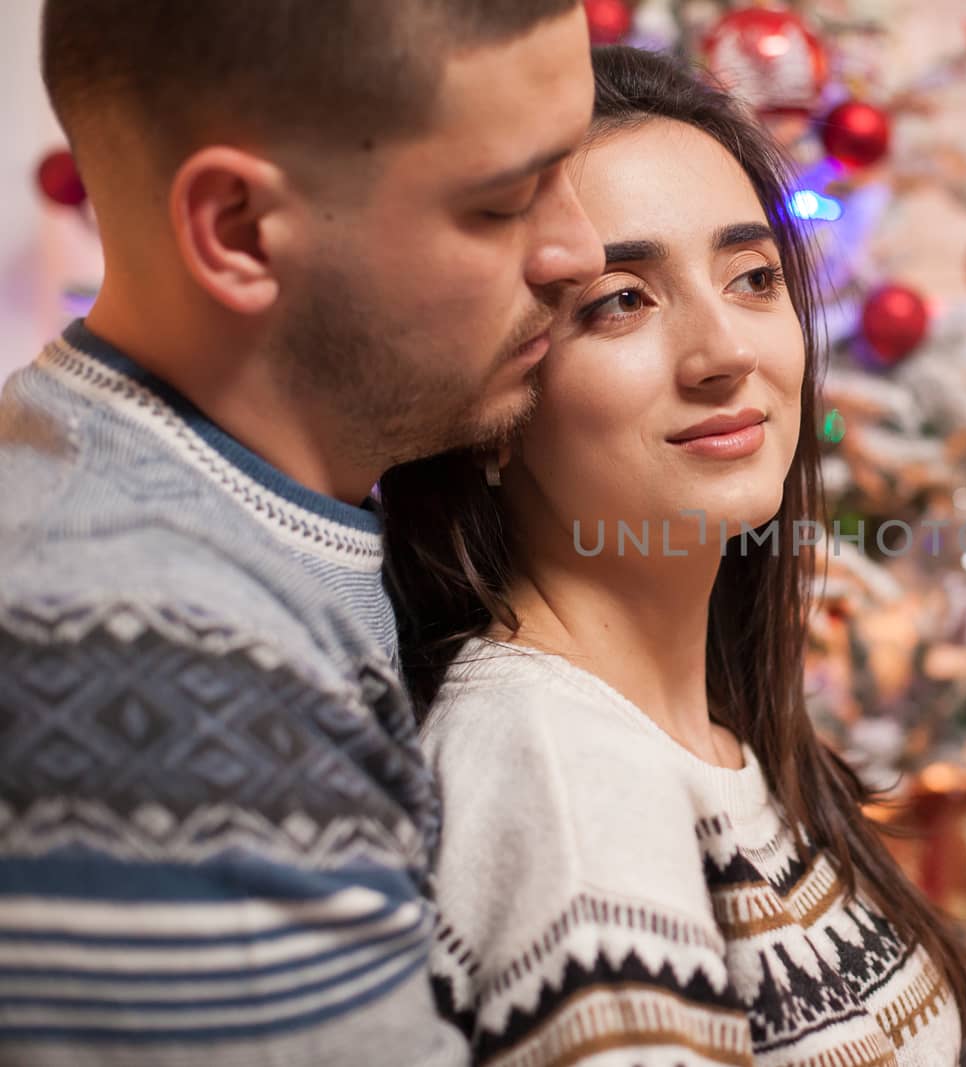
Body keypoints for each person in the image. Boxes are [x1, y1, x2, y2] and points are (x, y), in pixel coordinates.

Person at [0, 2, 603, 1063]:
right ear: (237, 229)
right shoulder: (152, 672)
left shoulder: (253, 515)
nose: (577, 251)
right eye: (506, 202)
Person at [379, 46, 966, 1066]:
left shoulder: (723, 736)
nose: (725, 352)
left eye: (751, 277)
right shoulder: (554, 770)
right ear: (492, 407)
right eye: (621, 299)